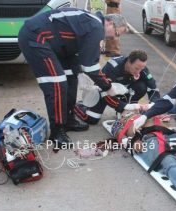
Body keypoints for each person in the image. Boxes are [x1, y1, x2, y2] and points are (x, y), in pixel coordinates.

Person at [18, 8, 128, 149]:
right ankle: (57, 130)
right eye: (117, 33)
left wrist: (80, 72)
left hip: (58, 45)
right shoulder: (96, 27)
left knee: (71, 79)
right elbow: (91, 66)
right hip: (36, 38)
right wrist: (108, 87)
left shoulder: (92, 25)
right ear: (110, 23)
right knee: (57, 85)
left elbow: (81, 55)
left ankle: (68, 119)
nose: (115, 38)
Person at [74, 50, 161, 124]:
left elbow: (153, 88)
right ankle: (77, 106)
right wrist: (124, 106)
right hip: (105, 94)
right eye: (136, 68)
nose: (139, 72)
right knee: (92, 119)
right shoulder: (112, 67)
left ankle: (126, 110)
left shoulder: (142, 68)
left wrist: (153, 104)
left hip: (124, 93)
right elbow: (102, 90)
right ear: (129, 62)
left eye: (142, 68)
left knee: (141, 86)